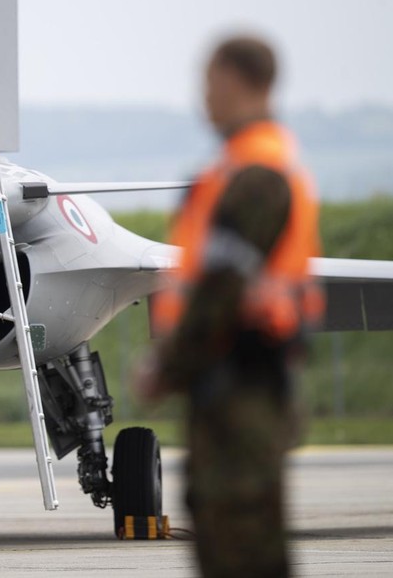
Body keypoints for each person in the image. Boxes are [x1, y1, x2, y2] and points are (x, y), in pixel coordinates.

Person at [135, 36, 325, 577]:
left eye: (210, 81)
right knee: (227, 541)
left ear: (242, 81)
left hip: (244, 387)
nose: (204, 97)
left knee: (246, 549)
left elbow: (223, 288)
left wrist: (166, 368)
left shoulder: (257, 172)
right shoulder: (236, 166)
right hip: (225, 390)